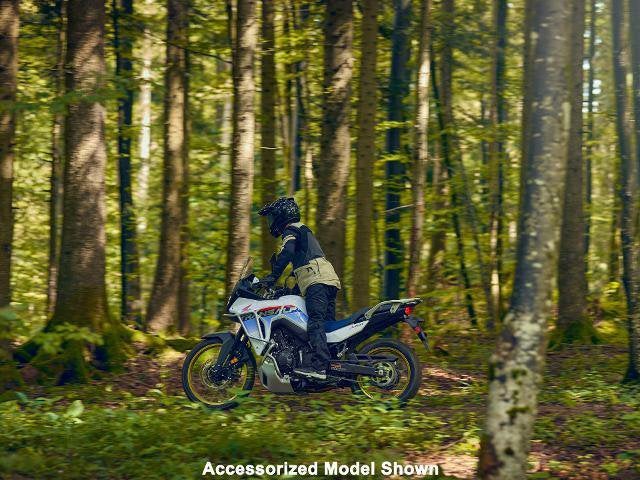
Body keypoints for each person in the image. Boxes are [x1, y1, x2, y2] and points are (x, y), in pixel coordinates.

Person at [258, 197, 341, 380]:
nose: (271, 223)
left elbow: (287, 252)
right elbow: (304, 265)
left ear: (282, 215)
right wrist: (291, 290)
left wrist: (272, 277)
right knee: (326, 328)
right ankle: (333, 367)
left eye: (273, 218)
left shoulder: (291, 229)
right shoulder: (302, 231)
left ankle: (319, 367)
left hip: (318, 282)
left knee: (315, 322)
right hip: (326, 280)